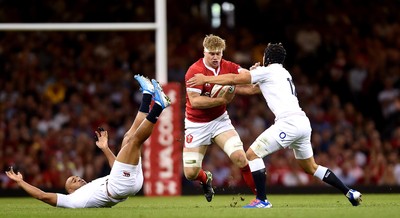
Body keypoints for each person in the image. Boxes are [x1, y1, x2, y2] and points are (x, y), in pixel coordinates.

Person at [187, 43, 363, 208]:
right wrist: (254, 73)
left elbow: (235, 78)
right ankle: (349, 191)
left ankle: (262, 200)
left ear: (266, 58)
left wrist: (205, 79)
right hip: (302, 122)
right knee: (311, 167)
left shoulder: (268, 71)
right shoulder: (284, 73)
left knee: (251, 154)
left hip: (288, 123)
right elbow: (252, 86)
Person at [5, 75, 171, 208]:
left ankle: (147, 94)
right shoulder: (73, 201)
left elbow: (117, 169)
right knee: (133, 141)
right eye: (72, 181)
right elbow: (42, 195)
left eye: (75, 177)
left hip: (128, 184)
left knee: (128, 138)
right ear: (69, 192)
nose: (76, 178)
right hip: (120, 187)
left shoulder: (92, 186)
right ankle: (159, 106)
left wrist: (105, 148)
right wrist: (20, 182)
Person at [184, 34, 260, 202]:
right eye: (211, 53)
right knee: (190, 173)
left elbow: (246, 78)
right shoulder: (194, 72)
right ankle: (206, 179)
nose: (215, 57)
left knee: (240, 158)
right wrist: (222, 100)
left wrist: (257, 74)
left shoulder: (229, 67)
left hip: (220, 121)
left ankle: (261, 198)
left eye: (218, 53)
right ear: (204, 52)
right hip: (196, 124)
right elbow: (195, 102)